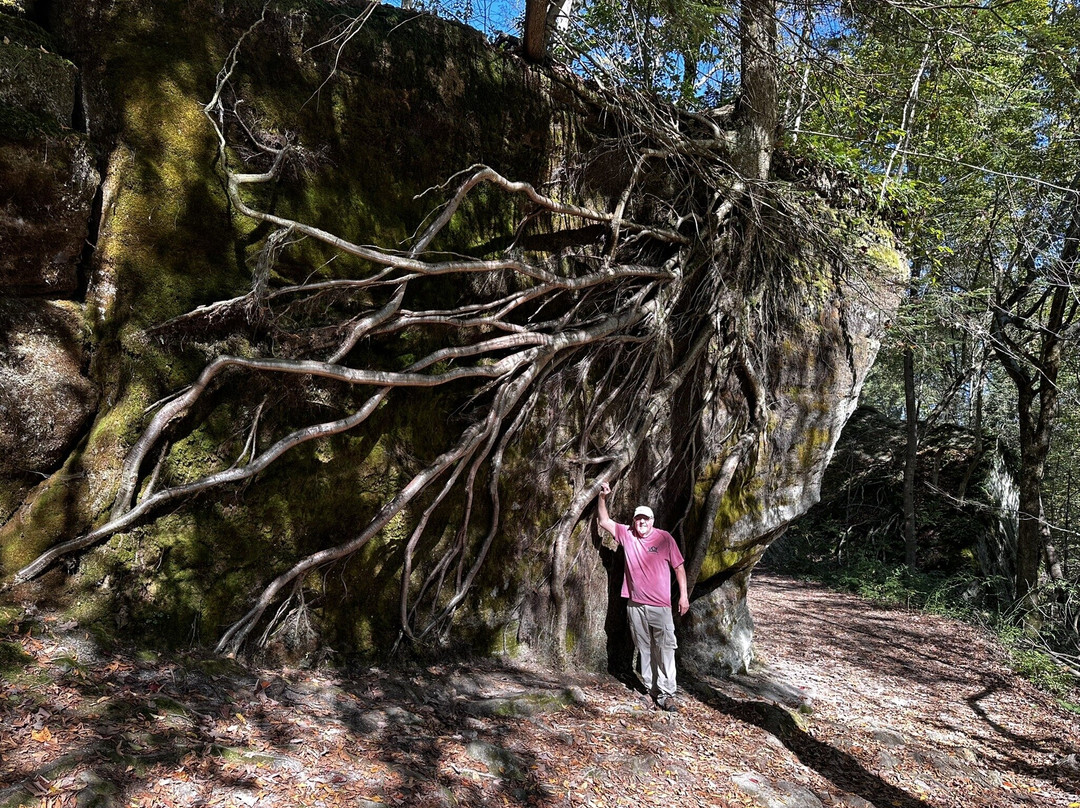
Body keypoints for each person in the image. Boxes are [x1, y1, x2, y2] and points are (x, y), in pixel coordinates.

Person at [597, 481, 689, 712]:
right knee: (645, 649)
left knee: (665, 648)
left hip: (661, 606)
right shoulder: (628, 535)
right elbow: (604, 521)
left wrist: (684, 597)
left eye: (645, 519)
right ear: (634, 521)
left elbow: (679, 568)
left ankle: (667, 694)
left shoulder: (664, 539)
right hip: (635, 605)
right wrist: (602, 497)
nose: (642, 523)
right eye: (638, 519)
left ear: (652, 521)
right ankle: (651, 691)